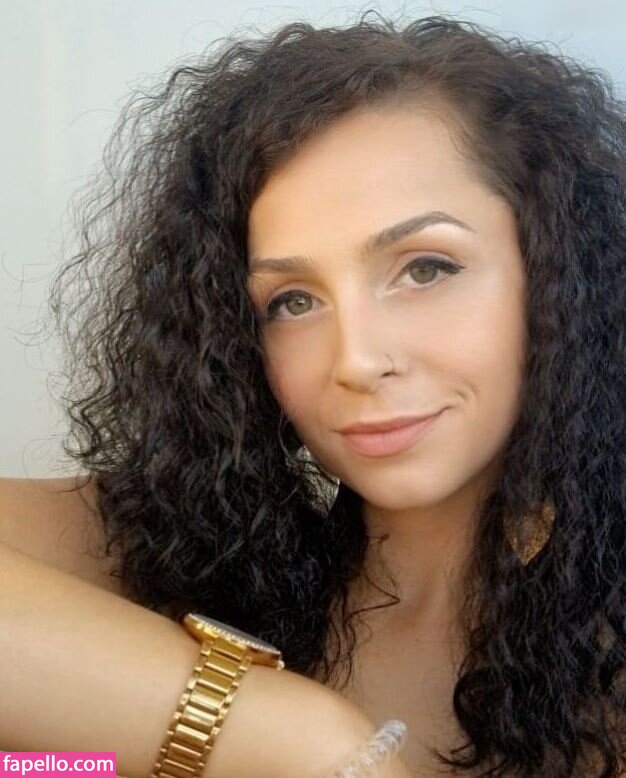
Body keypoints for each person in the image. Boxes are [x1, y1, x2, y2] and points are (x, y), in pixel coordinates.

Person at [2, 9, 626, 777]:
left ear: (560, 274)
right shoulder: (178, 555)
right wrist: (290, 737)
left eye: (426, 268)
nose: (356, 360)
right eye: (292, 301)